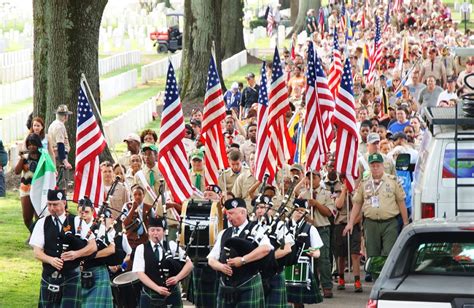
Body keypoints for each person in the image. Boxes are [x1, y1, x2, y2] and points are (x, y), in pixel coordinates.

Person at [29, 189, 97, 308]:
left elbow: (93, 246)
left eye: (55, 204)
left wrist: (77, 254)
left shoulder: (76, 221)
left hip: (71, 276)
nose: (51, 208)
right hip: (49, 276)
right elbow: (37, 252)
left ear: (64, 203)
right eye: (49, 204)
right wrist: (51, 260)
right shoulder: (42, 223)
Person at [207, 197, 272, 308]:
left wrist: (243, 260)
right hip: (226, 286)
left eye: (231, 213)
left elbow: (266, 248)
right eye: (227, 214)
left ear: (243, 212)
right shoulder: (224, 233)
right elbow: (211, 259)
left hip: (248, 282)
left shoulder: (256, 229)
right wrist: (220, 266)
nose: (228, 217)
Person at [344, 153, 409, 259]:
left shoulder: (392, 181)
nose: (375, 168)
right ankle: (375, 276)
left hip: (389, 223)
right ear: (369, 167)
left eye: (378, 165)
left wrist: (405, 222)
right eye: (373, 166)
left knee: (388, 253)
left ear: (383, 166)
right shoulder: (364, 183)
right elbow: (357, 203)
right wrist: (350, 223)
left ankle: (385, 275)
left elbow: (401, 202)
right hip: (371, 223)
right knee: (372, 254)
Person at [133, 215, 193, 307]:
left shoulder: (171, 246)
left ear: (164, 232)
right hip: (150, 294)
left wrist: (177, 278)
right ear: (148, 232)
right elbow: (140, 273)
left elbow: (189, 264)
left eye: (158, 230)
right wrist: (157, 288)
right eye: (152, 230)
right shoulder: (141, 249)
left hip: (172, 294)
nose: (155, 233)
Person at [298, 170, 336, 298]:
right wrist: (306, 217)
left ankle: (327, 286)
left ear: (319, 178)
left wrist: (316, 204)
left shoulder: (326, 194)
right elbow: (298, 212)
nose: (311, 180)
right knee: (309, 257)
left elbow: (329, 213)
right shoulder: (303, 195)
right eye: (308, 178)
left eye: (314, 177)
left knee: (323, 258)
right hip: (308, 229)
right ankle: (313, 285)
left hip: (322, 228)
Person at [253, 196, 294, 308]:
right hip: (253, 275)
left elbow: (287, 248)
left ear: (271, 210)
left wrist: (268, 258)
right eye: (258, 207)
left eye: (265, 207)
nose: (261, 210)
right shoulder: (250, 226)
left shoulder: (279, 226)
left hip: (273, 273)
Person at [286, 199, 323, 307]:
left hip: (302, 267)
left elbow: (318, 252)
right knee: (285, 300)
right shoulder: (283, 226)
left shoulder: (310, 229)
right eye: (296, 210)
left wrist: (313, 253)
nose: (298, 212)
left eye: (302, 211)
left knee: (298, 302)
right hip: (285, 265)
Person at [78, 199, 114, 307]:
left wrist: (90, 256)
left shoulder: (101, 228)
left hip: (97, 272)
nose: (83, 215)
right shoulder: (75, 226)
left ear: (93, 211)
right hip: (77, 273)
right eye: (80, 212)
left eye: (86, 212)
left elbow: (111, 249)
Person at [334, 180, 363, 292]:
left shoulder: (358, 192)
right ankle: (341, 278)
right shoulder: (339, 191)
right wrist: (344, 191)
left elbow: (361, 212)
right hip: (341, 225)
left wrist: (351, 223)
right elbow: (338, 205)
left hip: (354, 225)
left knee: (355, 254)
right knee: (341, 254)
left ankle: (357, 280)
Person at [14, 133, 43, 232]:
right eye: (29, 144)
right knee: (26, 218)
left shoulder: (43, 157)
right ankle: (33, 234)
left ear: (38, 144)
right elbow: (17, 172)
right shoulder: (25, 157)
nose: (31, 146)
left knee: (38, 216)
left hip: (39, 188)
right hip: (26, 188)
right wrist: (22, 158)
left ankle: (37, 238)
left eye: (33, 144)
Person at [122, 185, 152, 251]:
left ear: (143, 195)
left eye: (139, 194)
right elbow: (124, 223)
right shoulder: (127, 206)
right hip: (130, 240)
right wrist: (132, 209)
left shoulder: (149, 208)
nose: (137, 197)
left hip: (144, 240)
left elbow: (153, 223)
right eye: (135, 194)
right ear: (132, 196)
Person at [48, 105, 73, 171]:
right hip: (59, 156)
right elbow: (60, 144)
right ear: (65, 116)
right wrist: (64, 161)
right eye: (66, 115)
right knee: (62, 178)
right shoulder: (60, 127)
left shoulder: (53, 124)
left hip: (53, 153)